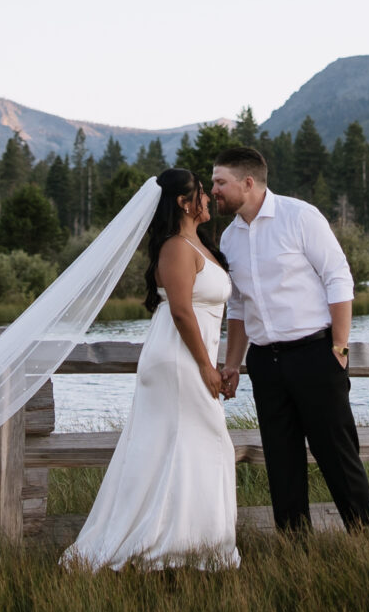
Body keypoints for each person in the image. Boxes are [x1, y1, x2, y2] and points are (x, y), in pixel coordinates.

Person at [60, 168, 241, 570]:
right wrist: (206, 366)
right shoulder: (177, 247)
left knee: (186, 447)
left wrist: (224, 363)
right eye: (201, 194)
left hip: (190, 356)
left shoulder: (199, 244)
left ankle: (189, 545)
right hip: (177, 360)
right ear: (183, 202)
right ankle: (164, 546)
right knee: (200, 443)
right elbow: (180, 310)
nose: (209, 199)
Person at [211, 143, 369, 533]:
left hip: (315, 356)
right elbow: (237, 308)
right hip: (265, 366)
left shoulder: (300, 216)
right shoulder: (230, 239)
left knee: (337, 455)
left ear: (248, 182)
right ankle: (295, 548)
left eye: (220, 182)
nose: (214, 190)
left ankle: (366, 539)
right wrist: (233, 363)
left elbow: (338, 277)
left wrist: (338, 346)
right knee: (281, 461)